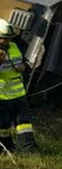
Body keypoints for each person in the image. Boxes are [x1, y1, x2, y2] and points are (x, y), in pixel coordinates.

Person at [0, 18, 37, 153]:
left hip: (18, 95)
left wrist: (25, 66)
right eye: (4, 38)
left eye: (9, 38)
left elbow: (24, 62)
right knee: (2, 127)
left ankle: (28, 149)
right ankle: (6, 147)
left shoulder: (14, 47)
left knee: (24, 124)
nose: (8, 41)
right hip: (2, 97)